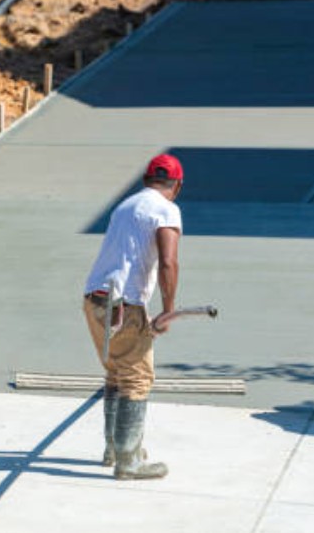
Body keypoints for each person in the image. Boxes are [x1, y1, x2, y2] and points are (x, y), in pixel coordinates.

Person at [82, 153, 184, 480]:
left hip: (94, 300)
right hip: (123, 305)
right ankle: (129, 461)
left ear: (145, 181)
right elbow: (168, 261)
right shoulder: (166, 210)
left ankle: (113, 448)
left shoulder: (125, 206)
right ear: (177, 186)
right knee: (137, 377)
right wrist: (168, 311)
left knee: (116, 373)